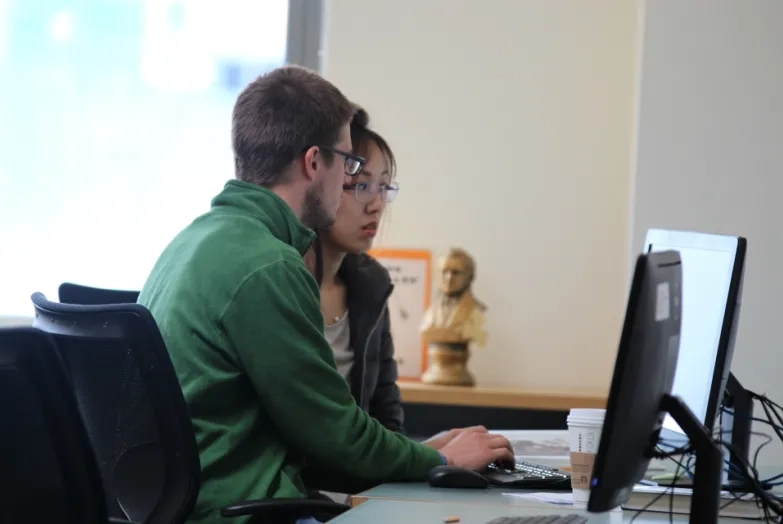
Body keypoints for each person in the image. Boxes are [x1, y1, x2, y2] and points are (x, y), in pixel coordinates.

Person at [138, 66, 514, 524]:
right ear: (315, 163)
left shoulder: (193, 241)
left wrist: (416, 455)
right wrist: (444, 463)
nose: (354, 184)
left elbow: (310, 437)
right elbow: (336, 438)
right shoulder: (269, 266)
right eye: (350, 164)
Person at [304, 106, 482, 447]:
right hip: (305, 491)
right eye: (360, 186)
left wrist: (428, 451)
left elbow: (386, 419)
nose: (377, 205)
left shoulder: (371, 284)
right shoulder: (282, 280)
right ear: (319, 182)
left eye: (384, 188)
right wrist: (428, 457)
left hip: (353, 486)